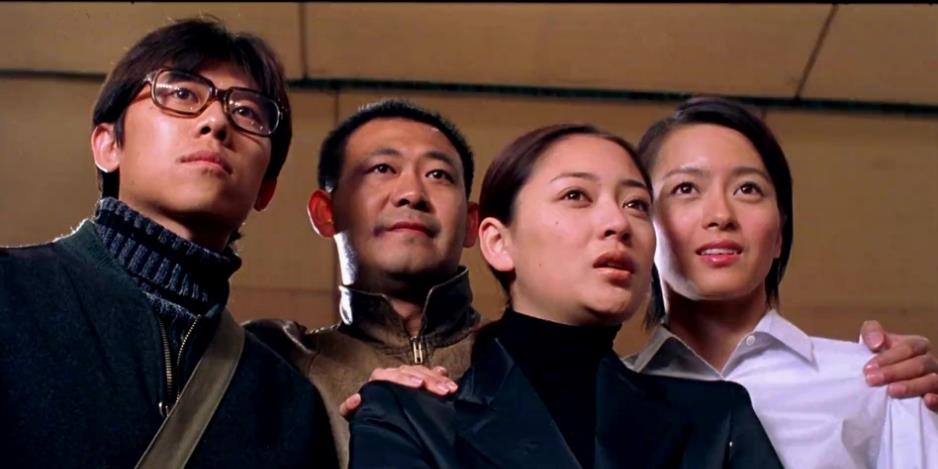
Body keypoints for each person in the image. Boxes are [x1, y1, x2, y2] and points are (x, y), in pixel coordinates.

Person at [0, 18, 336, 467]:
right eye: (181, 94)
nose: (217, 121)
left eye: (247, 113)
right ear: (107, 145)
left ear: (265, 189)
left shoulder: (286, 404)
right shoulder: (11, 295)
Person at [348, 123, 784, 468]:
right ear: (498, 243)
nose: (618, 223)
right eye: (576, 196)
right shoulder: (410, 415)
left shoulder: (716, 419)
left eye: (636, 204)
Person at [626, 96, 938, 468]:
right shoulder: (600, 401)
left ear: (779, 235)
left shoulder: (876, 383)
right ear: (641, 225)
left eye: (748, 189)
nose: (721, 215)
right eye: (686, 189)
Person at [246, 99, 481, 467]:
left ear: (471, 223)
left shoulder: (524, 360)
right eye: (382, 168)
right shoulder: (272, 358)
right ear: (326, 213)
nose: (412, 194)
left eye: (438, 175)